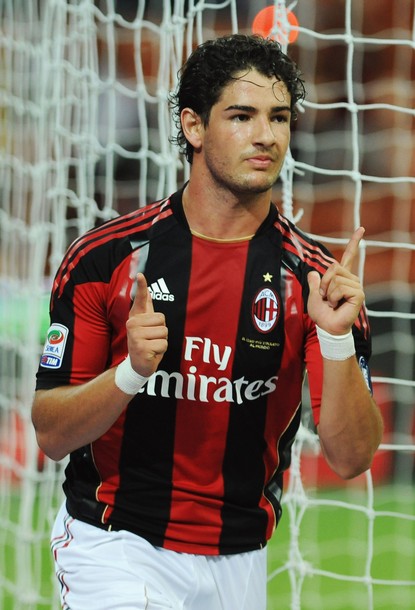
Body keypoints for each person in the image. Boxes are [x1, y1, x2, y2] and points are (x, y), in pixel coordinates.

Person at [32, 34, 383, 610]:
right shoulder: (104, 259)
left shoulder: (319, 283)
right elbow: (51, 434)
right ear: (193, 127)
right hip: (116, 544)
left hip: (239, 559)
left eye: (279, 118)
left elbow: (351, 459)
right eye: (242, 116)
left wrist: (337, 339)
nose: (266, 135)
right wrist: (130, 373)